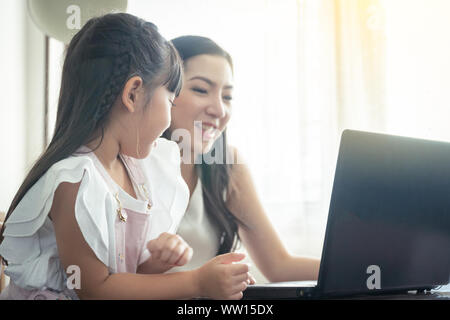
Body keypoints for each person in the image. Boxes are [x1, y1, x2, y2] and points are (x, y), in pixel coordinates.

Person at [0, 15, 251, 300]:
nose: (169, 120)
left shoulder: (135, 171)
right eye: (170, 101)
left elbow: (121, 276)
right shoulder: (75, 180)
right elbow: (96, 290)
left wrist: (157, 262)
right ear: (133, 93)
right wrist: (196, 282)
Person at [163, 35, 321, 281]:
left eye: (227, 97)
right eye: (201, 90)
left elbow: (279, 266)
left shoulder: (227, 164)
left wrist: (363, 270)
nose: (219, 110)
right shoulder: (132, 162)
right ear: (163, 91)